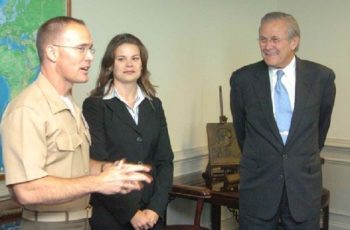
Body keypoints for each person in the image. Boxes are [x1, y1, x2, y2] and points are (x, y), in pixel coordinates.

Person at [0, 16, 152, 230]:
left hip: (81, 222)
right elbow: (26, 190)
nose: (89, 57)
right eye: (81, 49)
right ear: (52, 52)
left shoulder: (70, 104)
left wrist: (105, 169)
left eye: (90, 49)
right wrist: (98, 183)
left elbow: (72, 164)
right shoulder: (28, 109)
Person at [230, 12, 336, 229]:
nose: (267, 46)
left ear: (294, 42)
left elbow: (319, 130)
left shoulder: (321, 78)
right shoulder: (242, 80)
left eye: (275, 39)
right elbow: (242, 133)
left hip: (303, 189)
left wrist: (298, 155)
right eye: (263, 39)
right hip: (258, 189)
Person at [82, 33, 174, 230]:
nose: (129, 64)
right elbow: (99, 165)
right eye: (121, 59)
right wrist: (131, 213)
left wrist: (155, 209)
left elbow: (165, 161)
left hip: (152, 216)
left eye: (135, 58)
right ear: (110, 65)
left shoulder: (154, 105)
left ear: (142, 64)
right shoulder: (95, 106)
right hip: (112, 216)